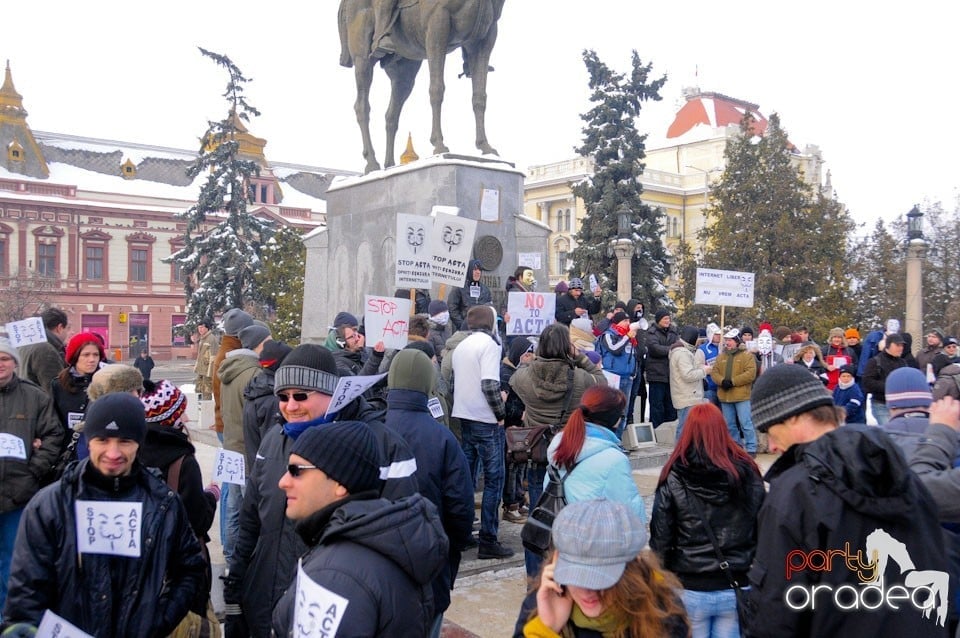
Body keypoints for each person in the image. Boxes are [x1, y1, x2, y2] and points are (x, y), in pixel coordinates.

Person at [225, 344, 418, 637]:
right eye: (283, 397)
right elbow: (252, 520)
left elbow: (403, 538)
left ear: (332, 394)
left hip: (334, 610)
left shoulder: (382, 445)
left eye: (301, 396)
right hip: (266, 603)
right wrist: (235, 592)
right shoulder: (274, 440)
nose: (291, 406)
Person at [745, 364, 950, 637]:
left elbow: (777, 608)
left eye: (769, 430)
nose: (770, 445)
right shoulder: (906, 477)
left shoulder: (794, 493)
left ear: (792, 417)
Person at [3, 392, 207, 636]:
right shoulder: (49, 506)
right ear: (88, 441)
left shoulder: (163, 504)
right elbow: (25, 595)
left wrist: (158, 620)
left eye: (124, 442)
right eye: (102, 440)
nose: (113, 453)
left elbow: (189, 568)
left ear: (139, 443)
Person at [271, 421, 447, 637]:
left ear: (340, 483)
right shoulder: (376, 540)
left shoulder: (334, 576)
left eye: (296, 471)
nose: (283, 482)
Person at [650, 402, 764, 638]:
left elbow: (660, 538)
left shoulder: (674, 475)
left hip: (690, 585)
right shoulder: (748, 472)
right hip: (737, 581)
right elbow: (762, 525)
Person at [385, 349, 475, 637]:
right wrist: (454, 550)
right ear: (428, 384)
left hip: (374, 563)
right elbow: (460, 505)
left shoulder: (368, 427)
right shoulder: (442, 438)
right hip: (429, 561)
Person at [509, 323, 606, 576]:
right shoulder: (582, 379)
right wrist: (581, 358)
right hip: (570, 452)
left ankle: (534, 578)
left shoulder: (524, 377)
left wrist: (534, 360)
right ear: (568, 347)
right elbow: (603, 384)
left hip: (538, 452)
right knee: (571, 516)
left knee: (536, 518)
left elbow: (514, 376)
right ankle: (564, 573)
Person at [522, 499, 689, 638]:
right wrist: (547, 628)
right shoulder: (542, 602)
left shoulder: (663, 613)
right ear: (558, 563)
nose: (588, 591)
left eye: (600, 579)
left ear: (631, 572)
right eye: (576, 576)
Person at [138, 379, 221, 633]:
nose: (185, 416)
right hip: (179, 568)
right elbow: (198, 520)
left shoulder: (132, 454)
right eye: (180, 411)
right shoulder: (182, 461)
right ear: (171, 417)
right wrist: (212, 494)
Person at [0, 337, 60, 617]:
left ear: (14, 362)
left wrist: (34, 471)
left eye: (5, 358)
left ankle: (10, 618)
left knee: (16, 562)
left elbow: (53, 434)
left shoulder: (34, 395)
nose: (0, 364)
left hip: (19, 493)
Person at [450, 304, 513, 559]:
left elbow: (455, 383)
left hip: (465, 416)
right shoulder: (489, 344)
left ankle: (464, 533)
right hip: (486, 420)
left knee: (467, 478)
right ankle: (488, 538)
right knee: (494, 480)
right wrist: (500, 412)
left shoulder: (461, 345)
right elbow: (489, 384)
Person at [50, 332, 106, 465]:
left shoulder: (106, 383)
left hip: (98, 456)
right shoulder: (58, 385)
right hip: (67, 454)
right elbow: (52, 422)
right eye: (86, 355)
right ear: (75, 357)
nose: (92, 359)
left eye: (96, 355)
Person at [242, 339, 292, 471]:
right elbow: (276, 445)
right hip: (271, 473)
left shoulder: (255, 389)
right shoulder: (274, 398)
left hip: (258, 469)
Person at [711, 329, 758, 455]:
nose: (727, 343)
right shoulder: (721, 357)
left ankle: (751, 448)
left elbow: (750, 374)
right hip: (725, 396)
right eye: (726, 340)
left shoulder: (747, 356)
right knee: (730, 425)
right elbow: (714, 372)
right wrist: (722, 381)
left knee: (745, 423)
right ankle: (736, 447)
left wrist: (733, 381)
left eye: (730, 340)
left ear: (737, 341)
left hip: (742, 396)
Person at [596, 310, 638, 436]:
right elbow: (615, 349)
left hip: (627, 377)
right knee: (611, 410)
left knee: (623, 412)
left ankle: (618, 441)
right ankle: (608, 438)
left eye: (628, 320)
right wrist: (627, 337)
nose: (628, 323)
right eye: (625, 321)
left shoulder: (629, 337)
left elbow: (634, 355)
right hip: (613, 376)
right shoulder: (609, 334)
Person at [669, 325, 711, 439]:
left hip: (688, 396)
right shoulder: (682, 353)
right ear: (692, 337)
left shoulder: (685, 351)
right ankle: (680, 454)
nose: (699, 341)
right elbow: (687, 375)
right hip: (687, 397)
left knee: (689, 429)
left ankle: (685, 453)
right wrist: (704, 371)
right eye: (698, 338)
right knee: (684, 429)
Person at [17, 307, 69, 394]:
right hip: (39, 405)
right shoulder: (46, 350)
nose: (69, 333)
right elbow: (54, 390)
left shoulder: (25, 345)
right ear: (59, 328)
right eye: (67, 328)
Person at [861, 332, 908, 424]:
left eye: (902, 345)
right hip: (881, 403)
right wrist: (889, 386)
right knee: (889, 431)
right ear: (888, 345)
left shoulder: (903, 362)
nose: (900, 348)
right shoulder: (875, 361)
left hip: (900, 405)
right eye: (897, 345)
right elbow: (867, 381)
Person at [646, 310, 679, 428]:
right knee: (657, 406)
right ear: (658, 320)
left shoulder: (673, 332)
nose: (667, 321)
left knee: (671, 405)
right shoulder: (651, 332)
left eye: (668, 319)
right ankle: (657, 430)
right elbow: (654, 349)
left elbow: (678, 346)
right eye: (665, 319)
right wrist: (671, 349)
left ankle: (668, 433)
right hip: (657, 375)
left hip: (671, 375)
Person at [448, 259, 493, 330]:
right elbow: (452, 309)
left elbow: (490, 308)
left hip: (481, 330)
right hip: (463, 331)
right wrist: (463, 325)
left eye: (479, 270)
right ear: (469, 270)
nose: (478, 272)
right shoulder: (459, 288)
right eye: (475, 269)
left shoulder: (485, 290)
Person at [194, 318, 218, 400]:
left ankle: (206, 410)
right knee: (198, 389)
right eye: (199, 327)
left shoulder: (211, 339)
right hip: (201, 369)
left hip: (208, 370)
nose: (200, 329)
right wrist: (197, 366)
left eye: (202, 327)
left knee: (207, 391)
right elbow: (200, 354)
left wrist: (210, 372)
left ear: (207, 328)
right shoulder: (202, 338)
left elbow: (214, 356)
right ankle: (199, 407)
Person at [699, 323, 722, 408]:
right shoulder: (702, 349)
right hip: (710, 387)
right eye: (716, 334)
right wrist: (709, 369)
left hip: (723, 387)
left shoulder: (723, 347)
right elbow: (698, 366)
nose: (718, 336)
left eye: (719, 334)